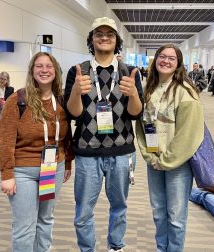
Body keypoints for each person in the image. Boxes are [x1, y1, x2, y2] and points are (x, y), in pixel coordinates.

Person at [64, 16, 143, 252]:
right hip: (88, 151)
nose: (104, 37)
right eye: (99, 33)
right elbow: (74, 114)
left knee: (119, 207)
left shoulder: (129, 72)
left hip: (121, 151)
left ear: (116, 40)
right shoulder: (79, 71)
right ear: (92, 39)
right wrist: (77, 91)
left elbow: (135, 114)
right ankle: (87, 249)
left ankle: (115, 247)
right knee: (83, 211)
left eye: (110, 34)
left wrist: (134, 95)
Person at [0, 52, 73, 252]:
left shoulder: (61, 101)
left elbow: (66, 137)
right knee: (25, 226)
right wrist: (7, 173)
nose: (44, 70)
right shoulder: (18, 100)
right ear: (32, 70)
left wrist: (68, 162)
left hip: (52, 169)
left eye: (49, 66)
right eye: (39, 66)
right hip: (23, 172)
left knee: (46, 220)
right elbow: (5, 139)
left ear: (55, 71)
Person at [136, 43, 204, 252]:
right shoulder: (149, 89)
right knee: (158, 212)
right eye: (162, 57)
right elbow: (141, 126)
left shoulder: (186, 93)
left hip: (178, 165)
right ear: (155, 60)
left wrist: (165, 161)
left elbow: (188, 136)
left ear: (178, 64)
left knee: (175, 217)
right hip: (154, 161)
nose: (165, 61)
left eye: (171, 58)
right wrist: (150, 157)